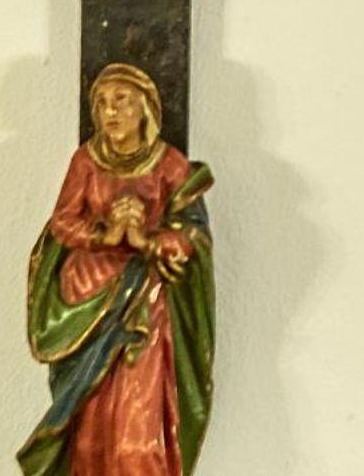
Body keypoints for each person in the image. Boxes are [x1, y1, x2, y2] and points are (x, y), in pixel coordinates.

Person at [18, 64, 216, 476]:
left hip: (144, 308)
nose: (111, 112)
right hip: (87, 305)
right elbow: (62, 222)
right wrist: (105, 233)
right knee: (90, 427)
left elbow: (193, 236)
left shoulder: (169, 165)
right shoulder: (86, 161)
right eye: (103, 104)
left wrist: (146, 240)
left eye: (122, 101)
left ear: (145, 108)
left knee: (137, 434)